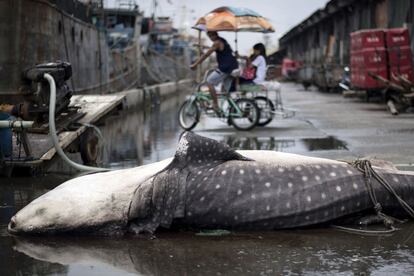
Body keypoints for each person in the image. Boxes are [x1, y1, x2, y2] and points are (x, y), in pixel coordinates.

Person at [190, 31, 238, 112]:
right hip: (232, 67)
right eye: (209, 36)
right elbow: (212, 47)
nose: (210, 38)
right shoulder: (222, 40)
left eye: (210, 36)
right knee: (225, 92)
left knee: (209, 82)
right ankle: (232, 110)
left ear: (215, 35)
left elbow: (206, 55)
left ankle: (215, 104)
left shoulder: (216, 43)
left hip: (225, 68)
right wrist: (202, 46)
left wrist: (195, 64)